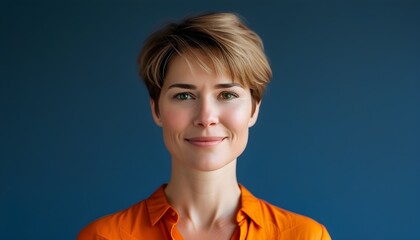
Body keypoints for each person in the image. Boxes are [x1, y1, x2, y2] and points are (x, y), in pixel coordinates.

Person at [77, 12, 331, 240]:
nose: (206, 117)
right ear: (156, 109)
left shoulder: (305, 236)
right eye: (184, 96)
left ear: (254, 109)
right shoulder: (104, 237)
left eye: (227, 95)